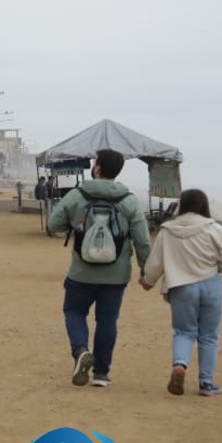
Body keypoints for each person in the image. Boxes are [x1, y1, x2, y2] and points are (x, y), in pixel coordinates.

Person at [47, 148, 151, 388]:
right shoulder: (129, 201)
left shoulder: (77, 195)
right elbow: (143, 241)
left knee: (74, 311)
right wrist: (146, 271)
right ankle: (101, 374)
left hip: (81, 273)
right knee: (107, 321)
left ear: (97, 168)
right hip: (116, 275)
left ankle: (81, 351)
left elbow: (53, 224)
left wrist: (76, 223)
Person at [139, 188, 222, 396]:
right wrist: (221, 267)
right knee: (209, 335)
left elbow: (155, 263)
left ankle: (180, 365)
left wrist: (147, 281)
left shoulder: (167, 231)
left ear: (182, 205)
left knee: (184, 332)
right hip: (211, 283)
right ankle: (206, 382)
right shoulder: (212, 228)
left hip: (181, 287)